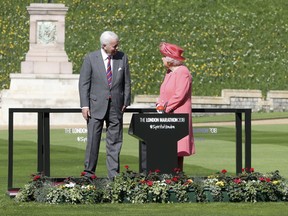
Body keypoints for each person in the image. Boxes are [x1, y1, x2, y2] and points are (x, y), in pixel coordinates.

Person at [78, 31, 131, 180]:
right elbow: (84, 84)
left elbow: (127, 81)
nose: (117, 48)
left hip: (116, 107)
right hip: (95, 107)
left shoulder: (122, 57)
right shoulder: (90, 58)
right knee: (93, 141)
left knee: (114, 142)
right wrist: (84, 105)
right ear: (104, 46)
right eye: (114, 46)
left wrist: (126, 101)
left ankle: (113, 176)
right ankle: (88, 174)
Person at [156, 42, 195, 171]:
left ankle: (177, 178)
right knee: (168, 149)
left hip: (177, 114)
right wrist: (159, 104)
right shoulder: (169, 72)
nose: (162, 59)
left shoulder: (183, 72)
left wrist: (165, 108)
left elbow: (179, 95)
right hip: (168, 114)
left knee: (177, 150)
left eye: (163, 56)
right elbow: (164, 93)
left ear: (170, 59)